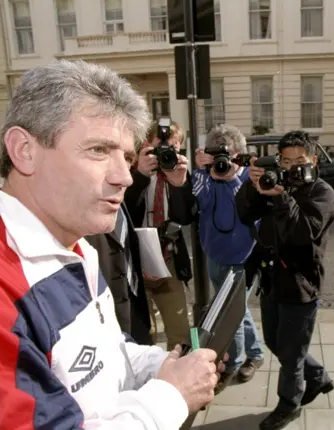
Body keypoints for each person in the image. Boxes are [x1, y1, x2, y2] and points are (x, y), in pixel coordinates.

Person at [0, 60, 221, 429]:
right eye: (98, 150)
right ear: (24, 149)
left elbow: (102, 356)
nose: (124, 176)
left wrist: (160, 367)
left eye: (125, 157)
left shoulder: (76, 245)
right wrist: (171, 396)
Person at [236, 130, 334, 430]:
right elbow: (244, 213)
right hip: (271, 278)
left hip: (300, 284)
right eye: (286, 160)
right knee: (274, 341)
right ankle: (317, 377)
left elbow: (302, 233)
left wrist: (281, 199)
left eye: (300, 160)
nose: (292, 167)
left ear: (314, 159)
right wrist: (253, 187)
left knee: (291, 357)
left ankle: (289, 404)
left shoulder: (322, 192)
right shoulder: (275, 183)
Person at [192, 124, 265, 392]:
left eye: (230, 155)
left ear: (240, 155)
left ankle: (233, 364)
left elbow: (249, 210)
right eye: (218, 154)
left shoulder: (249, 177)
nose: (223, 161)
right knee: (238, 310)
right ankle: (256, 354)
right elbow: (201, 201)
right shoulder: (206, 176)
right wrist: (203, 170)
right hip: (214, 252)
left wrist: (233, 177)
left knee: (229, 313)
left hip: (242, 257)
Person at [125, 120, 195, 350]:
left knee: (180, 331)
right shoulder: (130, 173)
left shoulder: (181, 173)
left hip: (168, 258)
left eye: (172, 149)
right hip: (136, 261)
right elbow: (123, 215)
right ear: (145, 146)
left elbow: (186, 217)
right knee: (144, 335)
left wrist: (179, 185)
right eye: (159, 149)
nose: (165, 154)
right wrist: (140, 176)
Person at [85, 202, 152, 345]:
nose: (127, 179)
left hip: (134, 299)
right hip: (106, 313)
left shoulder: (120, 200)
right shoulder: (78, 210)